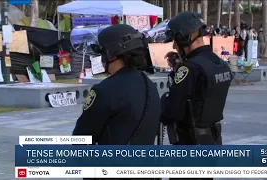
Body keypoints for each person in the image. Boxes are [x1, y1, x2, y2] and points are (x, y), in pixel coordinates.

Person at [73, 24, 161, 147]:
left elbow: (81, 139)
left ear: (111, 54)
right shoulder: (150, 86)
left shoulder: (105, 90)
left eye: (102, 51)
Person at [161, 11, 233, 148]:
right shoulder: (221, 64)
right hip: (214, 140)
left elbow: (172, 112)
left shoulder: (190, 69)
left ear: (184, 38)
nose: (174, 46)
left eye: (176, 41)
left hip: (190, 143)